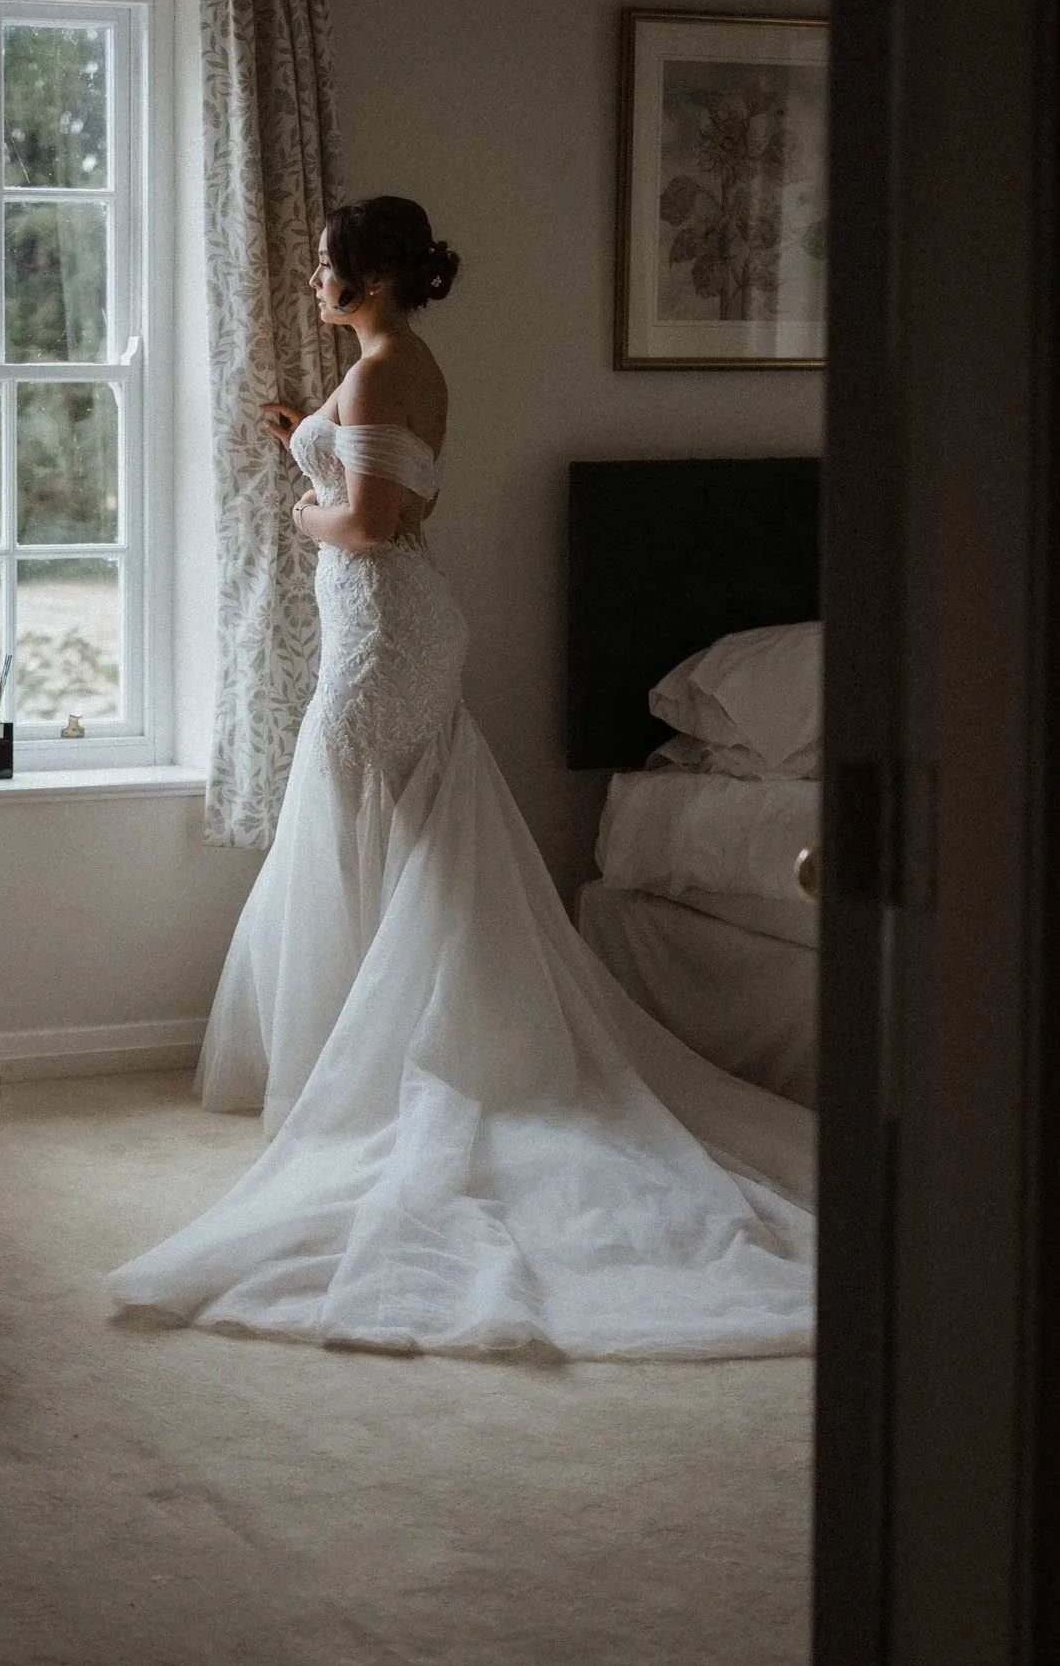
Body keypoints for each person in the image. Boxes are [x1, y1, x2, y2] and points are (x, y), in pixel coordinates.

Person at [106, 196, 815, 1360]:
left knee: (364, 817)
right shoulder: (395, 361)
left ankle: (379, 1061)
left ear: (380, 274)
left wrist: (302, 500)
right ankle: (369, 1038)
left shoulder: (384, 370)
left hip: (384, 628)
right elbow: (391, 480)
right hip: (396, 626)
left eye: (331, 267)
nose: (316, 283)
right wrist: (307, 430)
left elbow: (378, 523)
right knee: (397, 828)